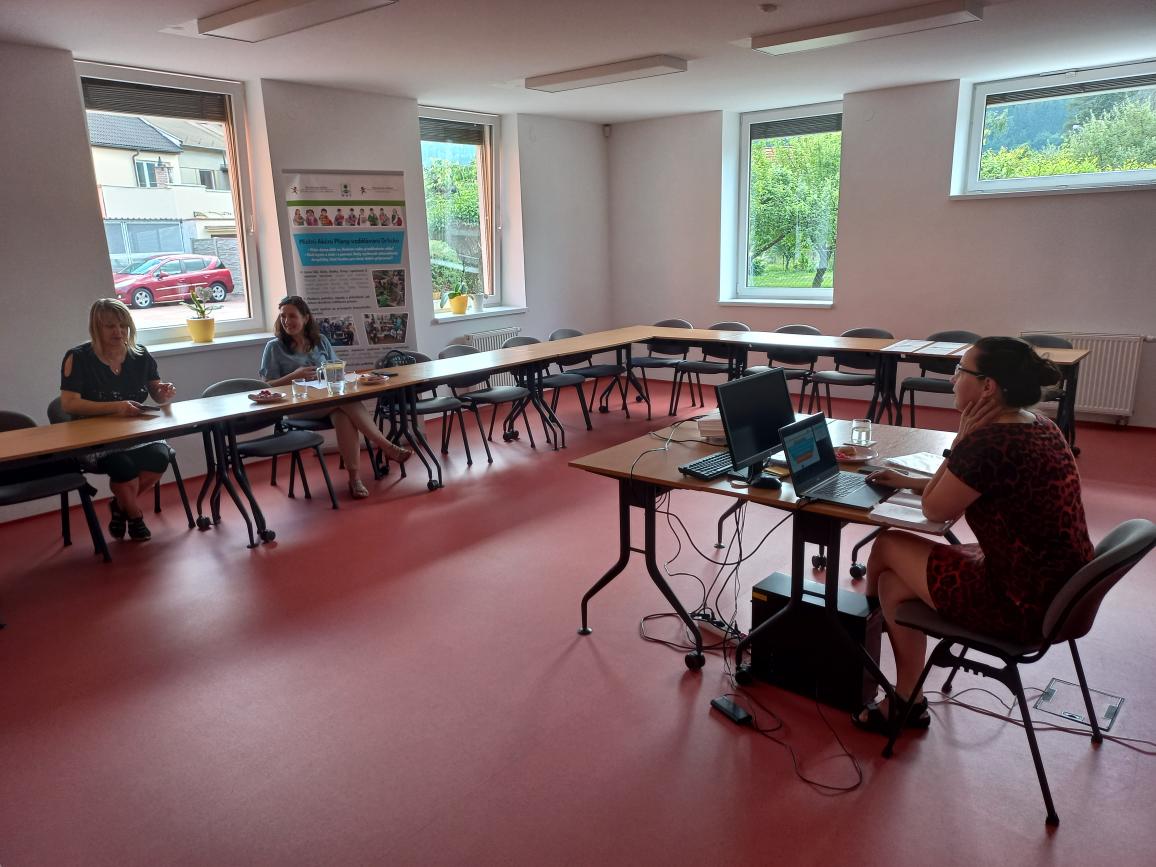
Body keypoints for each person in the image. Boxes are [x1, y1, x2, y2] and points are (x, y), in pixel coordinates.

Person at [853, 336, 1093, 734]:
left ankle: (857, 638)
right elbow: (972, 483)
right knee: (893, 584)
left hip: (1019, 603)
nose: (952, 380)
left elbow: (935, 510)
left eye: (959, 371)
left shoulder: (987, 443)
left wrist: (961, 440)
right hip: (1058, 590)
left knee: (887, 543)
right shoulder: (1041, 426)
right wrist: (910, 480)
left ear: (987, 386)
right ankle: (907, 698)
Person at [259, 296, 410, 499]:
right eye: (283, 316)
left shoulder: (321, 341)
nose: (286, 321)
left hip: (330, 401)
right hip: (298, 407)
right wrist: (294, 375)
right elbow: (266, 386)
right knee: (346, 402)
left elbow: (338, 370)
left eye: (292, 316)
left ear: (305, 318)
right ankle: (386, 446)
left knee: (343, 414)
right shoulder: (274, 347)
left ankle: (355, 479)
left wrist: (331, 372)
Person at [59, 299, 177, 541]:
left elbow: (155, 392)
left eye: (123, 326)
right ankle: (135, 516)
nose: (118, 332)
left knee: (159, 458)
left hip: (136, 431)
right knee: (124, 468)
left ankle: (119, 507)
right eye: (110, 326)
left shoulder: (140, 355)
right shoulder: (78, 357)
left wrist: (163, 392)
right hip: (94, 436)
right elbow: (69, 403)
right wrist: (116, 407)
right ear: (96, 328)